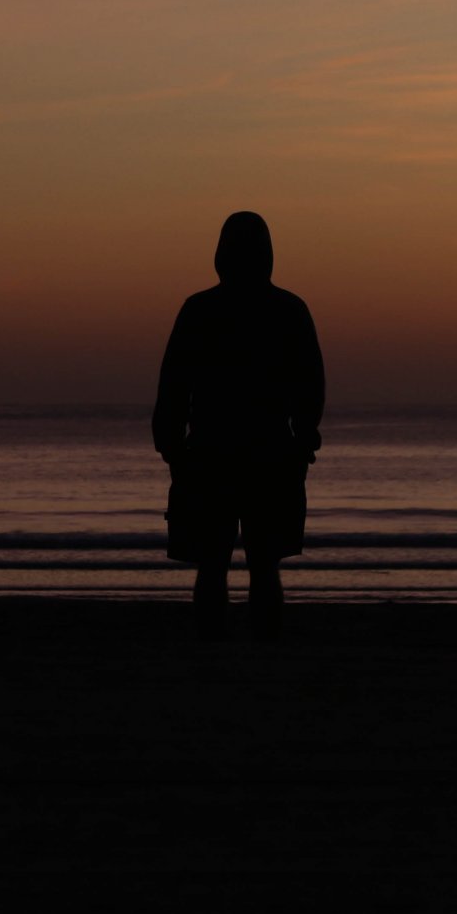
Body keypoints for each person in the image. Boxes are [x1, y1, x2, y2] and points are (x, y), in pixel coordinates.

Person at [153, 212, 325, 638]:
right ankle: (258, 646)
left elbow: (174, 385)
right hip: (264, 452)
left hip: (216, 452)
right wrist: (303, 439)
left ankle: (216, 646)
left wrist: (171, 445)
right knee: (262, 564)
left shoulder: (200, 310)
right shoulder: (288, 310)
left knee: (215, 564)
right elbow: (310, 385)